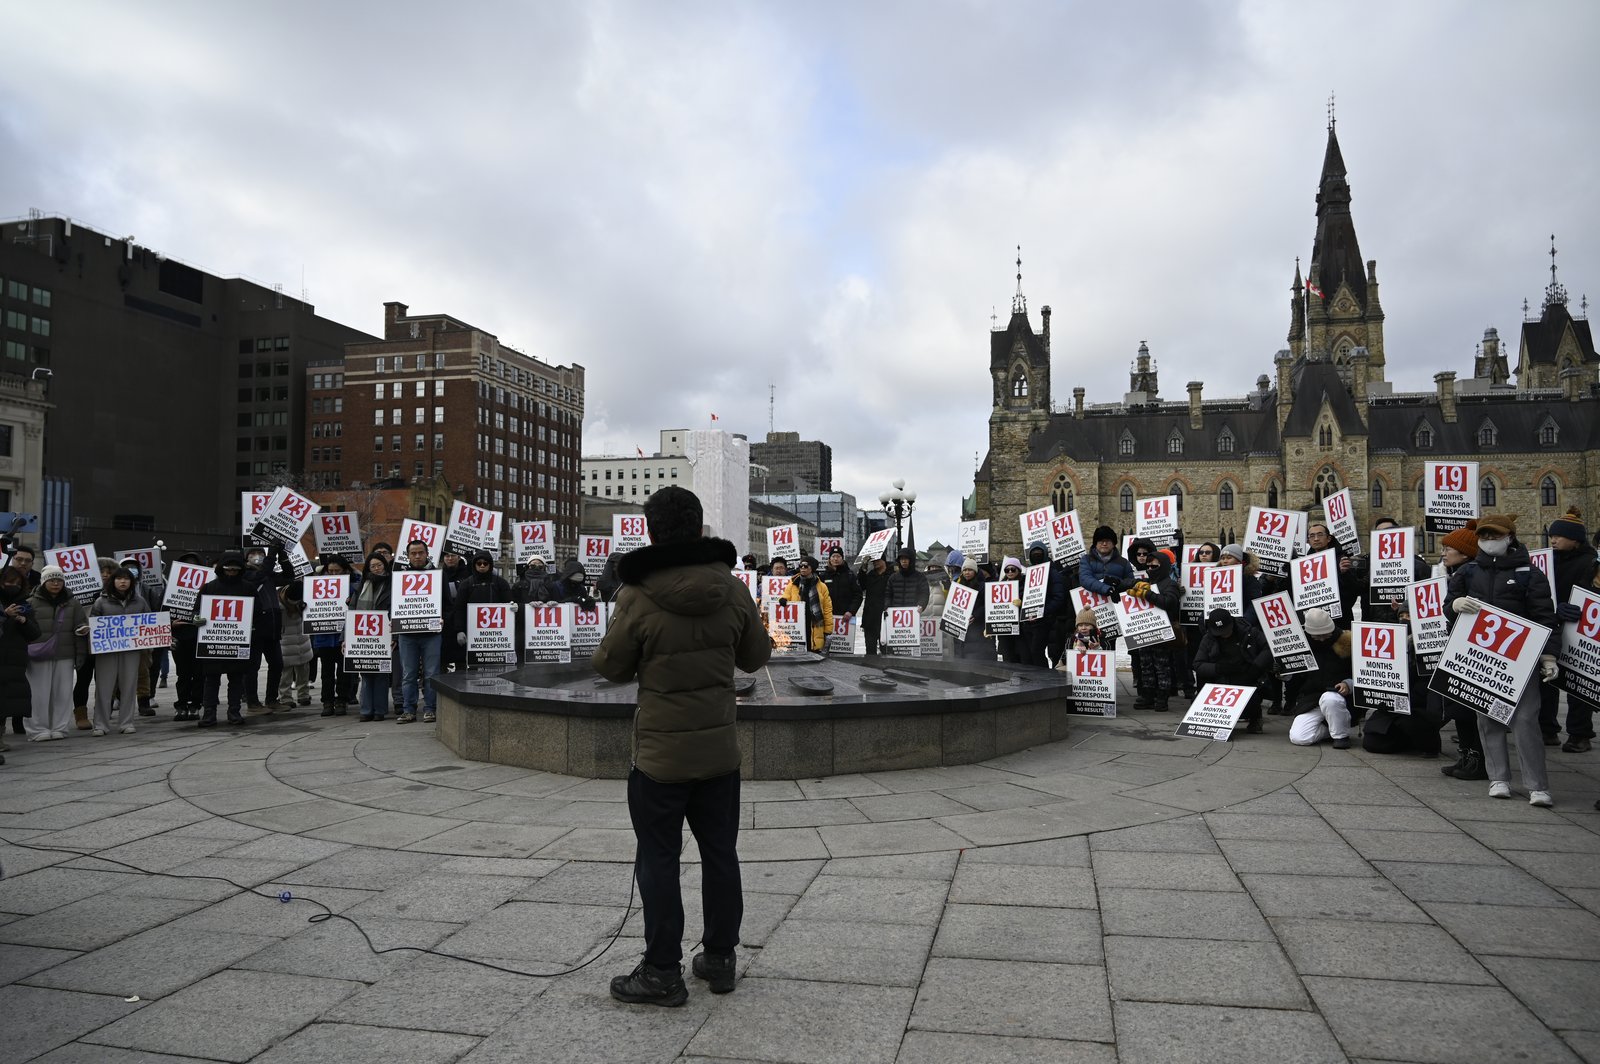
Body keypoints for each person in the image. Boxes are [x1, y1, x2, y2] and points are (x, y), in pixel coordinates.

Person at [594, 486, 770, 1006]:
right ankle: (719, 958)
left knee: (658, 859)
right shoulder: (732, 588)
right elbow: (755, 656)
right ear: (699, 529)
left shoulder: (639, 593)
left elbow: (610, 666)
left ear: (650, 531)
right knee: (720, 855)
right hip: (719, 752)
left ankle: (662, 971)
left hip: (660, 758)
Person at [1446, 513, 1559, 807]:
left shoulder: (1530, 574)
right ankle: (1498, 777)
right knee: (1488, 719)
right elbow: (1449, 608)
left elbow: (1544, 617)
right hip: (1482, 657)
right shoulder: (1467, 572)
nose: (1489, 542)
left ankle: (1537, 785)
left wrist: (1548, 655)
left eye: (1494, 536)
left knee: (1525, 720)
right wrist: (1455, 605)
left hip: (1520, 659)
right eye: (1484, 537)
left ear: (1509, 537)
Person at [1436, 525, 1487, 778]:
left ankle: (1474, 759)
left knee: (1464, 706)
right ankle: (1468, 757)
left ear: (1465, 553)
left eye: (1448, 548)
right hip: (1461, 642)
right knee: (1460, 706)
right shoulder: (1458, 571)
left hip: (1466, 646)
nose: (1443, 553)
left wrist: (1452, 605)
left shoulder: (1467, 572)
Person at [1545, 509, 1595, 751]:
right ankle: (1547, 729)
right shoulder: (1547, 561)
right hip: (1551, 623)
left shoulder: (1591, 563)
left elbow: (1594, 596)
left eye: (1558, 536)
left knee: (1576, 683)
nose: (1553, 540)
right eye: (1551, 536)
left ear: (1575, 539)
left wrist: (1576, 609)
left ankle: (1579, 734)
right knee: (1547, 678)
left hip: (1578, 628)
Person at [23, 566, 87, 740]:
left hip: (65, 654)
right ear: (44, 582)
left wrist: (82, 635)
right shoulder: (30, 602)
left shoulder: (73, 602)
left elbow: (80, 624)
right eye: (52, 580)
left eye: (59, 580)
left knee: (63, 693)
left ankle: (60, 727)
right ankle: (37, 730)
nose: (56, 583)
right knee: (38, 694)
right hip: (37, 655)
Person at [193, 552, 256, 727]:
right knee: (211, 680)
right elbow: (196, 609)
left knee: (236, 679)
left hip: (237, 641)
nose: (231, 573)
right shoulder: (208, 587)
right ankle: (209, 714)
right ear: (222, 569)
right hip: (212, 642)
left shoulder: (247, 588)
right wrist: (196, 617)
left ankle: (234, 712)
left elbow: (257, 611)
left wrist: (252, 624)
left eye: (235, 570)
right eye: (228, 570)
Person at [88, 566, 149, 735]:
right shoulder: (101, 601)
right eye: (119, 578)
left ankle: (126, 722)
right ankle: (100, 724)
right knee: (103, 687)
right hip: (106, 650)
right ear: (112, 581)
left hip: (131, 649)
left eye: (126, 579)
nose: (123, 582)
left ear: (132, 582)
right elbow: (94, 624)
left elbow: (149, 623)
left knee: (129, 685)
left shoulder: (140, 601)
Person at [1193, 607, 1273, 734]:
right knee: (1202, 680)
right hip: (1220, 678)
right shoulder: (1208, 638)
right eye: (1219, 632)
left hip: (1246, 677)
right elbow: (1198, 664)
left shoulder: (1249, 632)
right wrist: (1218, 669)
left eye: (1225, 630)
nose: (1224, 635)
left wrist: (1255, 668)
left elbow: (1269, 648)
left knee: (1252, 696)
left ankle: (1255, 717)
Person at [1125, 539, 1183, 710]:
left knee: (1161, 666)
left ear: (1163, 567)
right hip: (1145, 631)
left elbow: (1169, 602)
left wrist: (1147, 595)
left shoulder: (1169, 584)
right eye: (1148, 567)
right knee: (1146, 666)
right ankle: (1148, 695)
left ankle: (1162, 698)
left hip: (1162, 632)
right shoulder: (1148, 583)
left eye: (1154, 566)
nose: (1150, 569)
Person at [1286, 607, 1354, 747]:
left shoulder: (1348, 642)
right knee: (1298, 737)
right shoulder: (1303, 645)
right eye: (1317, 636)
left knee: (1329, 698)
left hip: (1340, 698)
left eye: (1326, 635)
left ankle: (1341, 735)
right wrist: (1284, 672)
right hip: (1312, 698)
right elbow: (1297, 678)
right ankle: (1330, 729)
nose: (1322, 639)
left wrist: (1348, 684)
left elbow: (1362, 672)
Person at [396, 539, 447, 724]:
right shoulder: (399, 576)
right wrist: (391, 619)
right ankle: (408, 710)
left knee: (431, 674)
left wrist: (443, 618)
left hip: (431, 634)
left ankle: (430, 709)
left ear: (427, 554)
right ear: (408, 556)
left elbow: (448, 604)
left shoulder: (438, 575)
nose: (417, 556)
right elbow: (393, 605)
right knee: (408, 675)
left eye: (420, 553)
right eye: (413, 553)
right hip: (407, 634)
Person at [0, 566, 39, 762]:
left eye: (17, 583)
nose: (12, 586)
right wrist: (4, 616)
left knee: (7, 699)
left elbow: (35, 633)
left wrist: (24, 621)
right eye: (8, 582)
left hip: (15, 659)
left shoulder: (24, 604)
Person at [353, 551, 393, 721]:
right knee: (366, 673)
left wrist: (395, 637)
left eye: (379, 565)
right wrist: (345, 639)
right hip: (363, 636)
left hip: (385, 635)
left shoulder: (393, 585)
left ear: (385, 565)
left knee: (382, 674)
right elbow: (352, 613)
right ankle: (366, 709)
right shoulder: (362, 585)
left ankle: (380, 710)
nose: (376, 569)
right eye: (373, 566)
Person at [312, 555, 354, 717]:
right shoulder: (316, 587)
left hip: (343, 637)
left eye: (337, 571)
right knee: (327, 673)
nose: (334, 574)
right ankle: (327, 701)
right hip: (324, 636)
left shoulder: (351, 587)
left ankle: (342, 700)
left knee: (344, 672)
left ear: (344, 570)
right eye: (331, 571)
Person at [453, 551, 512, 662]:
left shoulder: (501, 583)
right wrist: (459, 630)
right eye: (479, 563)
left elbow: (509, 604)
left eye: (485, 563)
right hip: (472, 634)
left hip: (498, 635)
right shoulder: (466, 584)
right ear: (474, 565)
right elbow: (459, 608)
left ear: (490, 565)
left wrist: (513, 607)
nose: (482, 566)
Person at [1020, 540, 1069, 668]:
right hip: (1030, 621)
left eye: (1039, 553)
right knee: (1032, 653)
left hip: (1046, 621)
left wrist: (1043, 611)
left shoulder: (1052, 573)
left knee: (1039, 652)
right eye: (1034, 553)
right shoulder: (1028, 574)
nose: (1036, 555)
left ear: (1045, 554)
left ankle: (1044, 680)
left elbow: (1058, 597)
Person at [782, 557, 833, 653]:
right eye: (801, 566)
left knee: (814, 655)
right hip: (798, 624)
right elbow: (786, 595)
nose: (802, 568)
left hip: (815, 624)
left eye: (806, 566)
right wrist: (783, 599)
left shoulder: (822, 587)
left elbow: (827, 609)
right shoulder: (793, 584)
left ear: (812, 568)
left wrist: (828, 630)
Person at [276, 581, 314, 707]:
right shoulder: (277, 600)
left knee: (304, 670)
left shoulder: (305, 598)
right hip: (285, 640)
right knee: (285, 673)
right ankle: (285, 697)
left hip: (302, 638)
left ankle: (303, 695)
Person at [951, 557, 994, 661]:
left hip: (978, 627)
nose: (967, 572)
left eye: (970, 570)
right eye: (965, 570)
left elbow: (988, 605)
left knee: (976, 656)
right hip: (962, 628)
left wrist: (975, 615)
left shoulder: (983, 586)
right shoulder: (958, 586)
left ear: (975, 571)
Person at [820, 548, 861, 639]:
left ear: (842, 558)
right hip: (827, 618)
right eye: (833, 556)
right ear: (829, 559)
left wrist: (851, 611)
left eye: (838, 556)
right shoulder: (823, 576)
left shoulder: (850, 575)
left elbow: (858, 595)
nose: (836, 559)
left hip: (846, 618)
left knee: (844, 649)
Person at [857, 554, 890, 655]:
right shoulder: (871, 575)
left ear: (883, 561)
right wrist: (863, 568)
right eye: (873, 561)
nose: (874, 562)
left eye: (877, 560)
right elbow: (861, 586)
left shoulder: (891, 575)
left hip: (885, 617)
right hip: (870, 618)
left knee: (886, 650)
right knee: (870, 650)